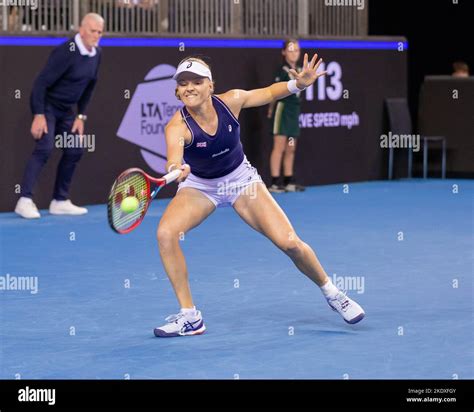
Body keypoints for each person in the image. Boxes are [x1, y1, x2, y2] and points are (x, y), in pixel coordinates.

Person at [153, 55, 365, 337]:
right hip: (200, 185)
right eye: (183, 84)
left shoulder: (232, 101)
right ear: (177, 91)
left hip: (241, 180)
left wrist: (297, 85)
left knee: (289, 243)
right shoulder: (177, 126)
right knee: (166, 233)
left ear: (210, 85)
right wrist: (175, 169)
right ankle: (190, 316)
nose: (189, 87)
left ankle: (332, 292)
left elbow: (267, 93)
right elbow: (174, 156)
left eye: (196, 81)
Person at [15, 13, 104, 219]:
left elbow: (89, 87)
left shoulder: (97, 53)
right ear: (81, 30)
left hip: (67, 112)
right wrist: (38, 114)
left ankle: (60, 201)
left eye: (100, 32)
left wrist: (80, 116)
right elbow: (40, 84)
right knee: (44, 147)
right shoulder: (66, 51)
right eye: (93, 31)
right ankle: (25, 200)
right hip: (47, 106)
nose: (97, 35)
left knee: (75, 149)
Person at [268, 39, 305, 193]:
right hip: (282, 110)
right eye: (290, 50)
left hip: (294, 111)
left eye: (296, 50)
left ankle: (289, 180)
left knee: (291, 148)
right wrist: (271, 109)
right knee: (279, 147)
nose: (293, 53)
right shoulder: (282, 71)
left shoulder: (301, 70)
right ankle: (275, 182)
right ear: (284, 52)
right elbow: (274, 92)